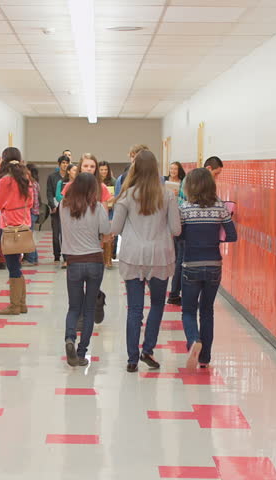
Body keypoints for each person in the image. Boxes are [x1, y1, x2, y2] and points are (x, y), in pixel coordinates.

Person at [110, 150, 181, 373]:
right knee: (158, 304)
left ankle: (132, 358)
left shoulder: (126, 195)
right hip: (160, 256)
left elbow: (115, 229)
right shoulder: (168, 195)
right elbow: (177, 229)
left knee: (135, 309)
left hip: (133, 257)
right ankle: (147, 349)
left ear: (135, 169)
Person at [180, 167, 237, 369]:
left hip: (191, 265)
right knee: (207, 311)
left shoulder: (185, 209)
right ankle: (205, 358)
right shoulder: (220, 208)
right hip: (214, 264)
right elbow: (232, 236)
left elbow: (178, 235)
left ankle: (194, 339)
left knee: (188, 310)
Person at [60, 173, 110, 367]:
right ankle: (81, 353)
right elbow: (106, 230)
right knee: (89, 309)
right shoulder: (97, 208)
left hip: (73, 262)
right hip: (95, 262)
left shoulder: (63, 207)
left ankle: (69, 339)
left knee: (74, 307)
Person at [0, 147, 34, 315]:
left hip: (9, 226)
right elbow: (30, 203)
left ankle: (14, 305)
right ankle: (22, 304)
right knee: (17, 264)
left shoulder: (4, 180)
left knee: (12, 266)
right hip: (24, 225)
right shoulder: (26, 178)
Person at [164, 161, 187, 305]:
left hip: (180, 218)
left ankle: (175, 291)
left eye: (175, 169)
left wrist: (178, 194)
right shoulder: (164, 182)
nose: (173, 171)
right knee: (179, 257)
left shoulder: (183, 183)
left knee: (179, 256)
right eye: (171, 169)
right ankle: (174, 292)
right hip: (169, 218)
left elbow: (186, 198)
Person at [46, 155, 71, 264]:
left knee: (65, 234)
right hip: (55, 208)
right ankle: (56, 255)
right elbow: (49, 192)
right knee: (56, 234)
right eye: (63, 163)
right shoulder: (52, 177)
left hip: (68, 209)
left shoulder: (71, 176)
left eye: (67, 163)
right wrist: (52, 205)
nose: (65, 165)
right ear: (59, 164)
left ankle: (66, 257)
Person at [23, 164, 41, 266]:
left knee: (28, 236)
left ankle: (31, 258)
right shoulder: (34, 183)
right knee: (29, 236)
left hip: (31, 213)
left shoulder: (32, 184)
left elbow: (32, 201)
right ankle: (33, 258)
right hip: (32, 212)